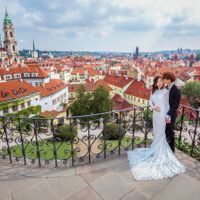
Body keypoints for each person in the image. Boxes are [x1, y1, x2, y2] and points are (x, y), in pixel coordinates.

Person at [127, 76, 185, 180]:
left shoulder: (166, 91)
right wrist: (154, 107)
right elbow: (150, 102)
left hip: (163, 114)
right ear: (155, 83)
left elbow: (169, 104)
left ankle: (160, 151)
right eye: (158, 81)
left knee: (162, 133)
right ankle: (155, 148)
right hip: (155, 114)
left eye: (161, 81)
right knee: (157, 132)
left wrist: (167, 116)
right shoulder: (153, 91)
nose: (160, 82)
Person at [163, 72, 181, 153]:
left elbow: (175, 105)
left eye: (165, 79)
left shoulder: (176, 90)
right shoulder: (166, 87)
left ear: (169, 80)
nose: (163, 80)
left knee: (170, 131)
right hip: (163, 113)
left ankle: (171, 149)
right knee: (165, 131)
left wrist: (168, 114)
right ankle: (165, 147)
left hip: (171, 115)